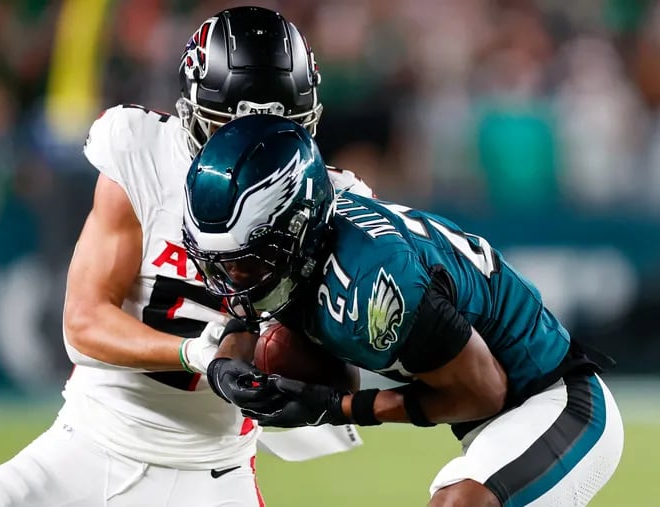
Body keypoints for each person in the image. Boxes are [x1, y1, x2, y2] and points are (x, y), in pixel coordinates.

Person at [0, 7, 370, 507]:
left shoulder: (335, 201)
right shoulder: (143, 153)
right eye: (232, 130)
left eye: (277, 134)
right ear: (192, 115)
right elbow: (82, 324)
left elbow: (343, 374)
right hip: (87, 446)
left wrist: (305, 384)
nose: (254, 152)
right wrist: (197, 352)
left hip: (212, 472)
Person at [181, 114, 625, 507]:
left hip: (557, 403)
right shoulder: (300, 242)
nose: (234, 278)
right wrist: (226, 364)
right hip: (493, 422)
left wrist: (339, 407)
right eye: (221, 263)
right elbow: (248, 305)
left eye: (250, 261)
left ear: (299, 230)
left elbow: (484, 391)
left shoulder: (371, 283)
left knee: (460, 504)